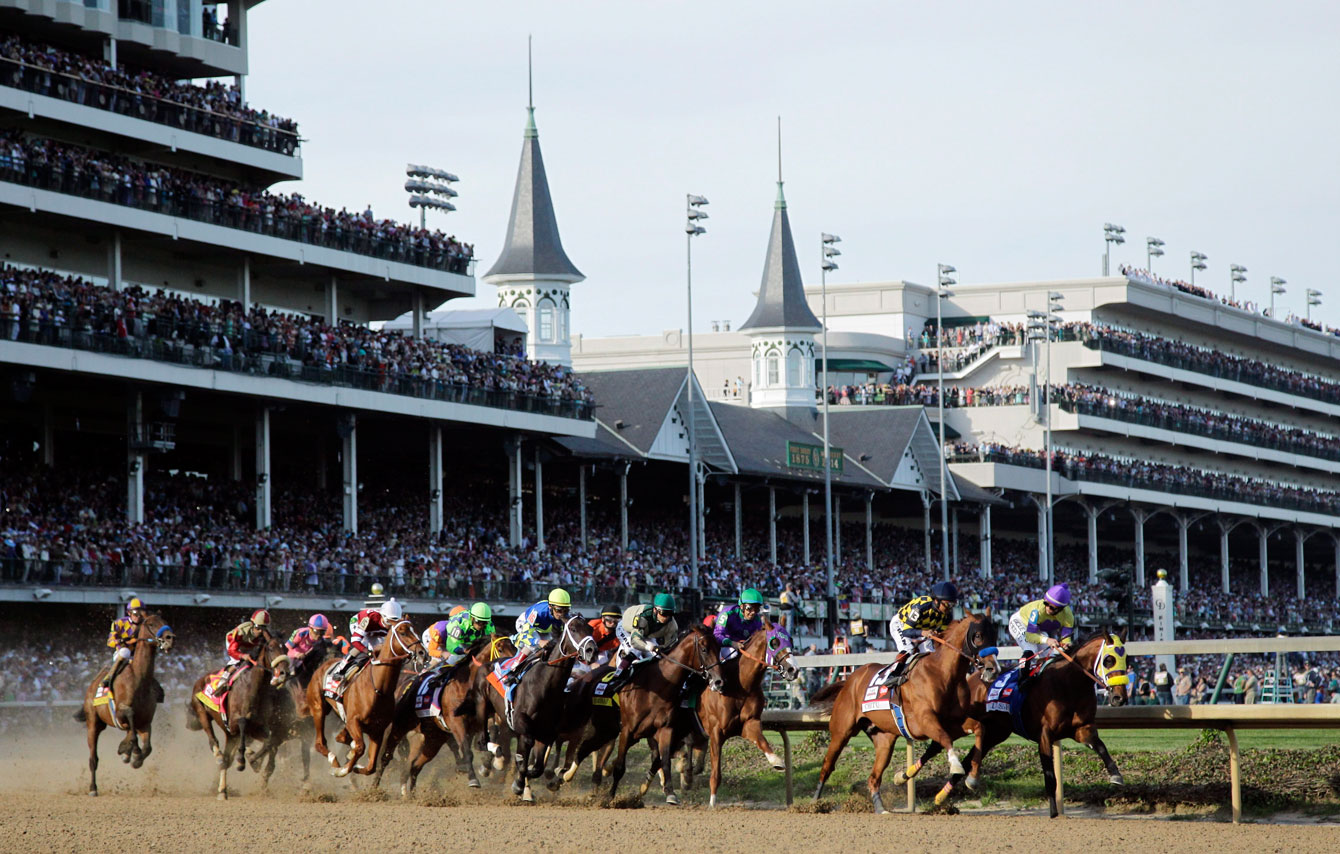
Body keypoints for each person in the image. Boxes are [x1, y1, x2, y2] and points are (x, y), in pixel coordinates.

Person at [504, 588, 571, 684]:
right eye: (559, 610)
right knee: (534, 646)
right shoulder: (538, 613)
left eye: (566, 610)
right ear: (550, 607)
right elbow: (525, 635)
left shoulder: (564, 615)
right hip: (526, 625)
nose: (563, 614)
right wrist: (538, 642)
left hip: (544, 629)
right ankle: (513, 671)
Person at [333, 598, 402, 688]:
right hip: (358, 623)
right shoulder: (370, 619)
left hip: (377, 631)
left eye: (395, 622)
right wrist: (367, 651)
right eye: (389, 621)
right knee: (364, 645)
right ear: (383, 616)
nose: (391, 625)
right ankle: (340, 670)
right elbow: (355, 640)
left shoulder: (396, 624)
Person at [889, 581, 958, 659]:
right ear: (936, 601)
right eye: (946, 604)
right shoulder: (920, 608)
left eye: (952, 605)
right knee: (908, 650)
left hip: (921, 629)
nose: (949, 608)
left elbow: (943, 633)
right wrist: (923, 633)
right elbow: (906, 631)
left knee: (930, 654)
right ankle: (894, 671)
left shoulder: (947, 615)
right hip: (902, 624)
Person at [1007, 583, 1076, 662]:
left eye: (1052, 607)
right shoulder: (1037, 610)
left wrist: (1066, 644)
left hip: (1036, 629)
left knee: (1050, 657)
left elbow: (1066, 639)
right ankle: (1023, 672)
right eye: (1046, 603)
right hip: (1020, 622)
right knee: (1030, 650)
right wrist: (1047, 640)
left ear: (1061, 609)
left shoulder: (1068, 616)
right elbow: (1030, 636)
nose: (1047, 608)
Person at [615, 594, 679, 670]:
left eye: (671, 613)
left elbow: (669, 647)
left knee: (656, 656)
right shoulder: (643, 617)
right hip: (627, 631)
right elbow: (635, 641)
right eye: (664, 613)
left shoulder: (672, 625)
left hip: (646, 634)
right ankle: (619, 673)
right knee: (634, 651)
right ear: (655, 610)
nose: (667, 617)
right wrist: (649, 647)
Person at [422, 602, 494, 668]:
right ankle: (424, 673)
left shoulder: (485, 625)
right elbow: (431, 651)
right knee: (439, 660)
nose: (481, 625)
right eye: (478, 622)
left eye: (484, 623)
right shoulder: (443, 629)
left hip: (451, 641)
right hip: (431, 638)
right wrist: (442, 653)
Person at [217, 609, 272, 691]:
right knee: (237, 662)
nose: (261, 631)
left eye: (264, 628)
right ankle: (222, 682)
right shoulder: (240, 632)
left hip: (249, 644)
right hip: (235, 642)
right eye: (258, 628)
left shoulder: (264, 633)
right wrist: (242, 655)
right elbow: (231, 651)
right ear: (253, 624)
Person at [102, 597, 146, 690]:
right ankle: (109, 678)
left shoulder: (145, 625)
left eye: (141, 613)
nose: (139, 616)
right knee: (125, 651)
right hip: (121, 655)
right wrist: (121, 641)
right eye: (136, 613)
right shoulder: (119, 623)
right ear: (129, 613)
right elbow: (110, 642)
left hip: (137, 655)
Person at [714, 588, 766, 659]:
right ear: (741, 606)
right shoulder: (727, 614)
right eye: (749, 608)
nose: (753, 612)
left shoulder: (757, 620)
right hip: (725, 647)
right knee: (733, 654)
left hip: (745, 647)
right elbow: (717, 635)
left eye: (756, 609)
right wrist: (732, 643)